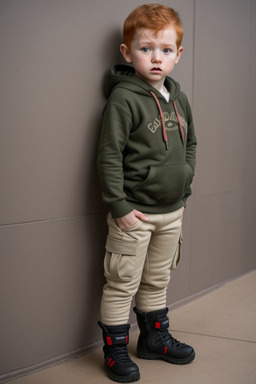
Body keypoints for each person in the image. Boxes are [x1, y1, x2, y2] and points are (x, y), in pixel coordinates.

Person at [97, 4, 197, 383]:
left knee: (157, 280)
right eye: (146, 48)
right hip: (133, 214)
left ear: (178, 55)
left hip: (172, 212)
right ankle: (115, 350)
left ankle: (153, 340)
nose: (157, 57)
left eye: (166, 50)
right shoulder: (123, 99)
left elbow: (192, 145)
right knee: (121, 282)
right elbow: (108, 155)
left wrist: (184, 188)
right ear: (127, 53)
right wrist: (118, 205)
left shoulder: (180, 98)